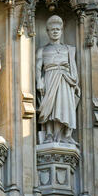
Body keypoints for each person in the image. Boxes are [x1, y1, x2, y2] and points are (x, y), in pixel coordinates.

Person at [36, 15, 80, 144]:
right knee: (49, 106)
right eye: (52, 29)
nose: (55, 31)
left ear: (61, 31)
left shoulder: (68, 49)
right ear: (48, 32)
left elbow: (73, 68)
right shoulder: (42, 50)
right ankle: (49, 134)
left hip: (65, 80)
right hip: (50, 76)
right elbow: (38, 67)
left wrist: (75, 83)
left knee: (64, 106)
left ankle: (64, 135)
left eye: (57, 29)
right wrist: (39, 80)